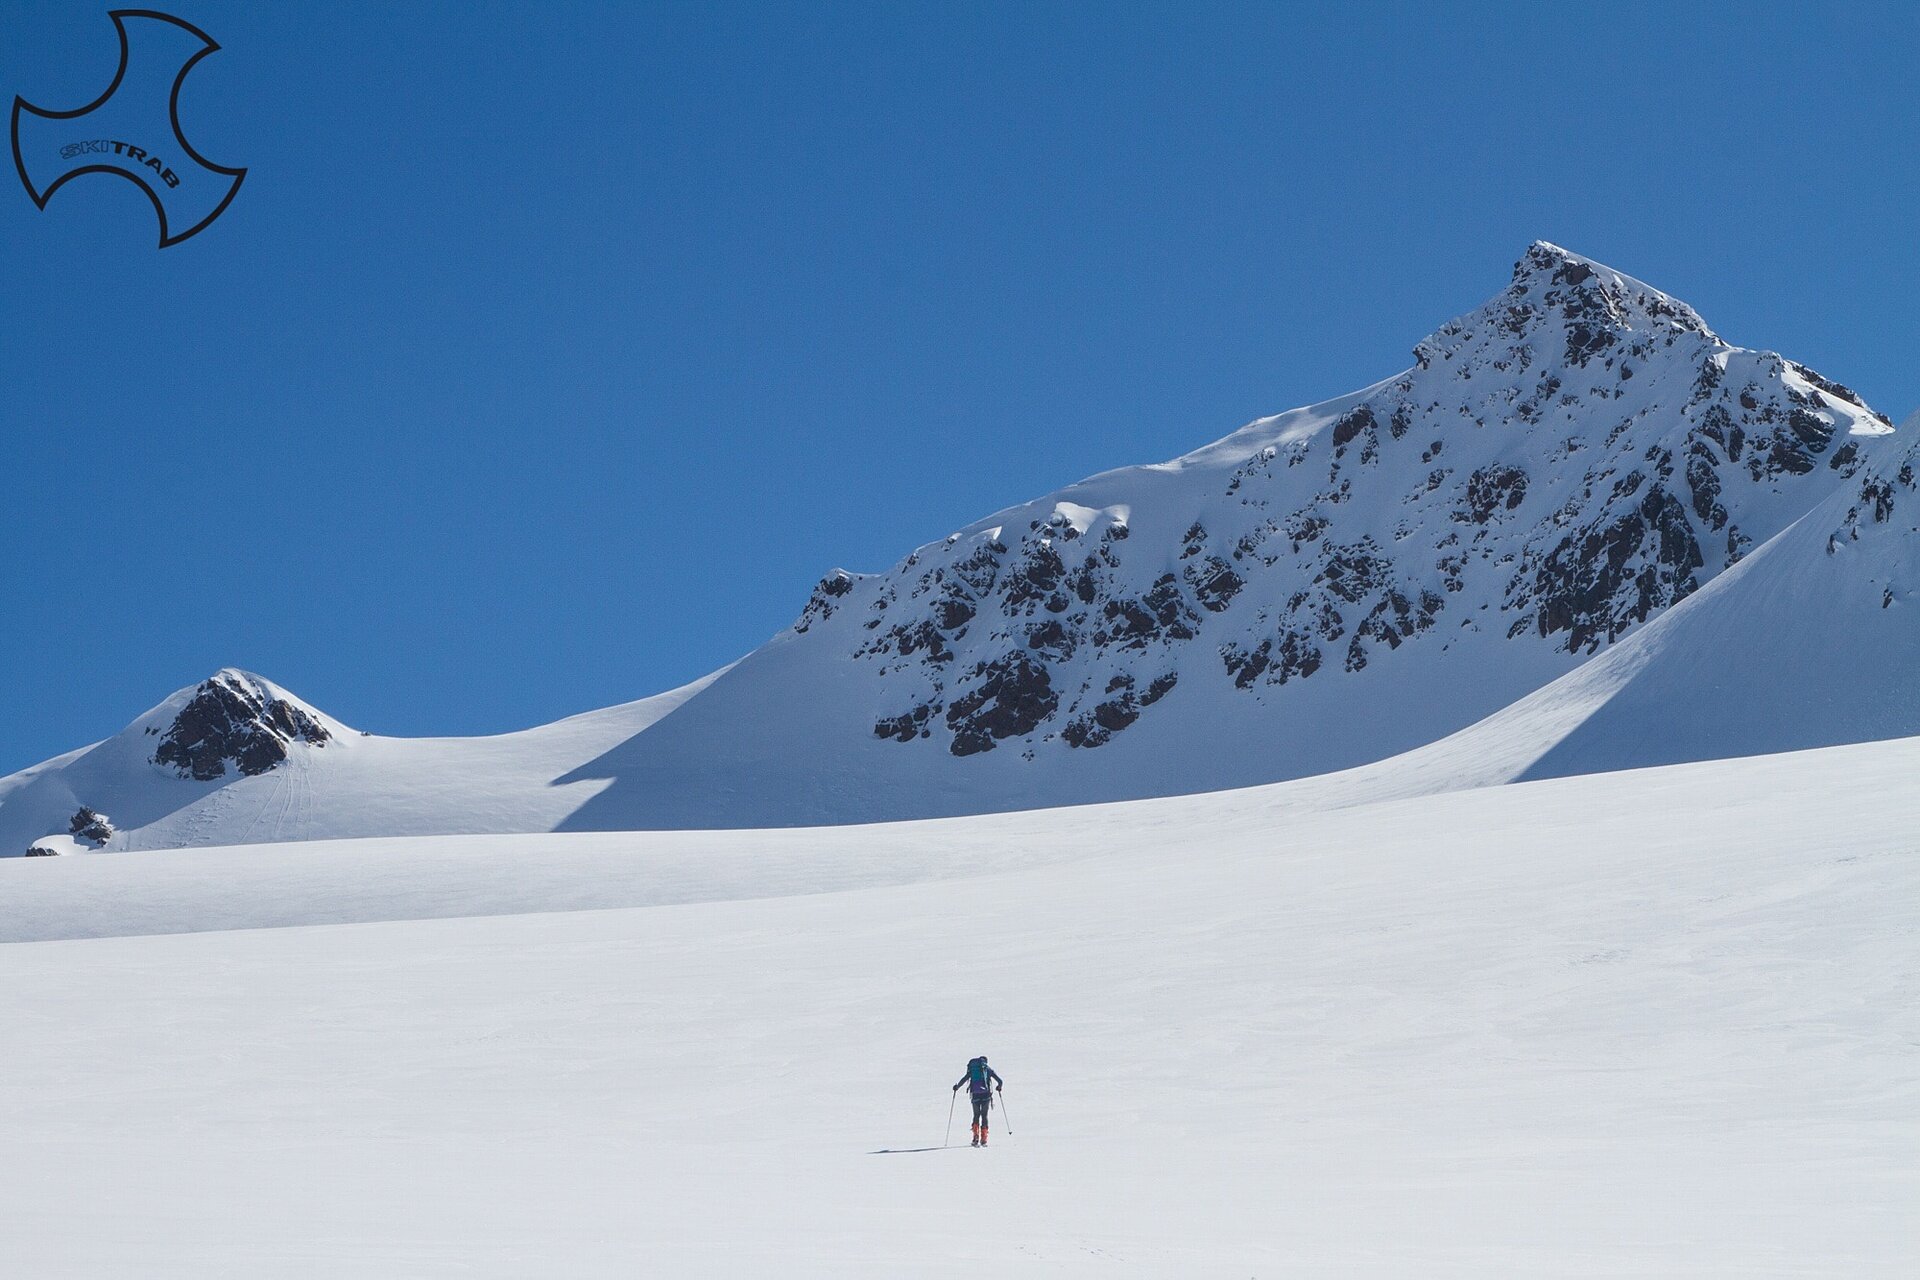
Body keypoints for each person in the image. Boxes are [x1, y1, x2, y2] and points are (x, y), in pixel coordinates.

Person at [952, 1055, 1003, 1146]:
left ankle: (975, 1137)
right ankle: (984, 1138)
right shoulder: (988, 1069)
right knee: (984, 1115)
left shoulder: (973, 1070)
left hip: (975, 1095)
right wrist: (999, 1087)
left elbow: (964, 1079)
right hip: (986, 1095)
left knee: (976, 1115)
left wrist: (957, 1087)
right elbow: (1000, 1081)